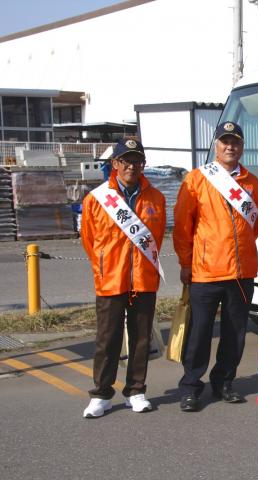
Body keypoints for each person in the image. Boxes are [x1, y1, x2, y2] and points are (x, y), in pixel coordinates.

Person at [173, 121, 258, 412]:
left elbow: (257, 224)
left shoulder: (252, 183)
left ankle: (224, 382)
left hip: (241, 271)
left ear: (242, 147)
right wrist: (186, 262)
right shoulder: (197, 180)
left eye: (235, 142)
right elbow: (183, 228)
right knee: (199, 333)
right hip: (206, 270)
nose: (230, 147)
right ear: (216, 145)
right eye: (225, 141)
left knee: (235, 332)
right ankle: (190, 387)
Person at [80, 138, 166, 418]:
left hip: (143, 279)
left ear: (143, 165)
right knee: (107, 339)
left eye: (137, 161)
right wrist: (105, 268)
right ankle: (101, 394)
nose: (131, 166)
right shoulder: (96, 199)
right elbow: (90, 241)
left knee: (141, 338)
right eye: (125, 161)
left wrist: (143, 267)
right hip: (111, 280)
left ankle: (136, 390)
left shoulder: (156, 198)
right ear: (115, 164)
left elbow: (157, 238)